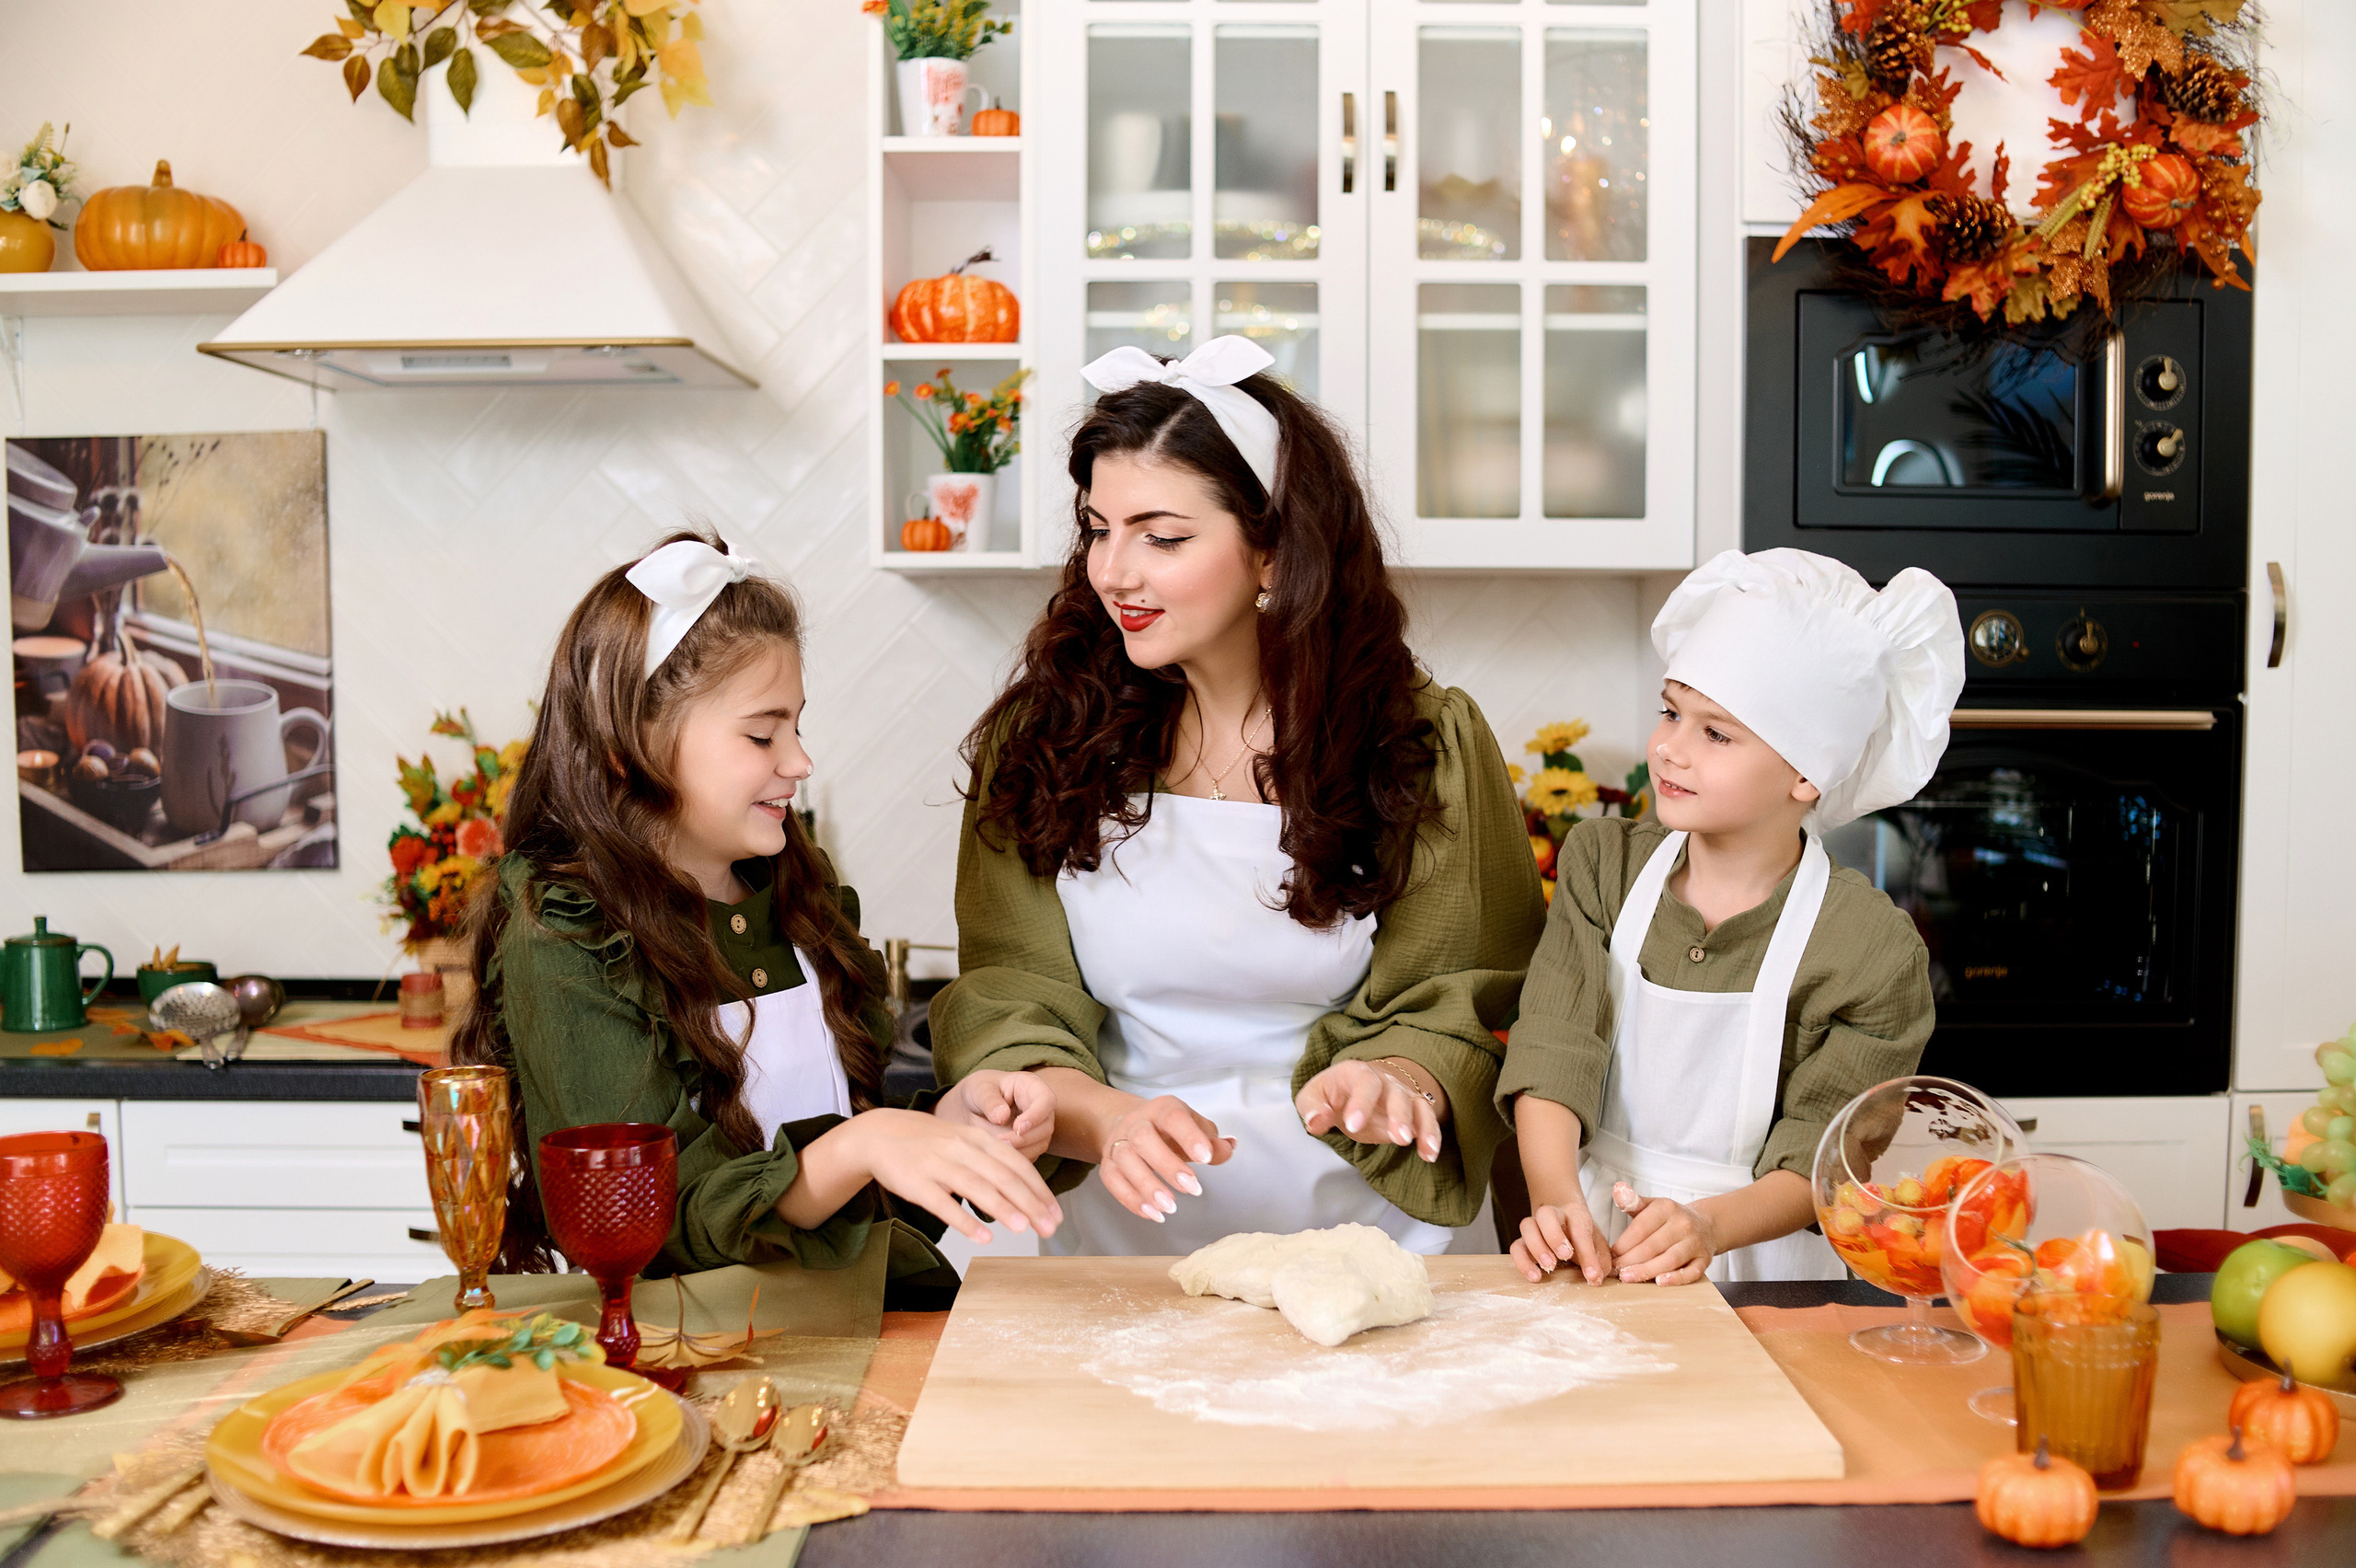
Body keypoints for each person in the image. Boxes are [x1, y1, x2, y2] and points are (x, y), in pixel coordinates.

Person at [929, 336, 1547, 1256]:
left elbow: (1459, 988)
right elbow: (1013, 990)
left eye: (1162, 537)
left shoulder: (1420, 744)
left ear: (1273, 552)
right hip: (1103, 1234)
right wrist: (1101, 1116)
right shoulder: (1046, 741)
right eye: (1098, 528)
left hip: (1371, 1240)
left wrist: (1399, 1078)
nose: (1113, 572)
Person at [451, 531, 1064, 1298]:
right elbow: (652, 1222)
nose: (800, 761)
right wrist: (862, 1145)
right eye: (762, 734)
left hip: (852, 1328)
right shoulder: (569, 933)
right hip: (686, 1351)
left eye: (797, 726)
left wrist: (948, 1125)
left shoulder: (794, 895)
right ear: (629, 745)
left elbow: (845, 1192)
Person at [1500, 548, 1965, 1286]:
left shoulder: (1871, 950)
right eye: (1671, 712)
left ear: (1807, 772)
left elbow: (1824, 1154)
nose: (1669, 749)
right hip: (1595, 1242)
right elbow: (1555, 1046)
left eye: (1715, 733)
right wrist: (1558, 1204)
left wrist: (1709, 1227)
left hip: (1764, 1264)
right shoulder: (1602, 867)